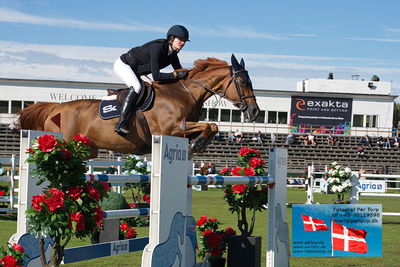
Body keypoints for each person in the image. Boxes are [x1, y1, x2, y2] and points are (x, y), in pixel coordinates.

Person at [113, 25, 190, 135]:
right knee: (137, 87)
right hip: (124, 65)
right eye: (181, 39)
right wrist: (175, 75)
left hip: (138, 72)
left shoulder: (173, 55)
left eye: (185, 41)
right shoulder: (157, 48)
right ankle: (121, 122)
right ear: (171, 38)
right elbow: (156, 76)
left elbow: (180, 73)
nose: (183, 43)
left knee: (153, 90)